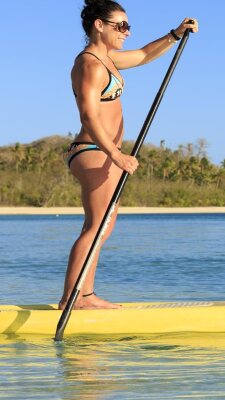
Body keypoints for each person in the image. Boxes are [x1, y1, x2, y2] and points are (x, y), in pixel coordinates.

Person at [59, 0, 198, 310]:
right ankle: (73, 297)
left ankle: (86, 294)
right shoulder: (90, 64)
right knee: (96, 226)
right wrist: (117, 155)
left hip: (104, 153)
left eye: (128, 26)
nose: (126, 32)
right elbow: (89, 117)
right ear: (99, 25)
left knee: (103, 227)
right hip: (95, 150)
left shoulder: (108, 60)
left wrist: (175, 35)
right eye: (120, 26)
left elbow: (146, 54)